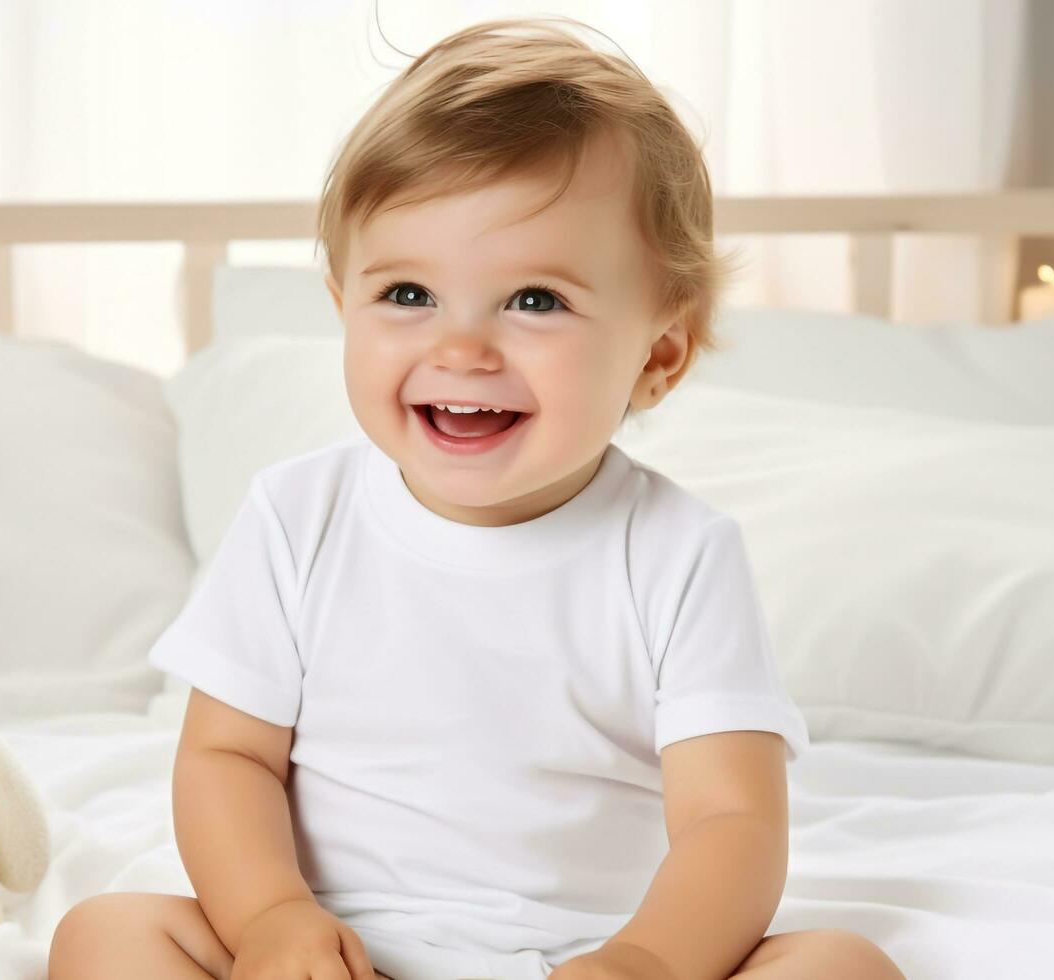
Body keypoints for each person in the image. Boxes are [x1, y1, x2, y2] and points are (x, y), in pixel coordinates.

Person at [51, 17, 904, 980]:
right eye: (408, 295)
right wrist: (272, 919)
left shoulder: (677, 552)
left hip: (592, 948)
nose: (460, 350)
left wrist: (649, 960)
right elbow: (225, 759)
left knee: (839, 964)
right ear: (342, 304)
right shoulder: (298, 517)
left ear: (658, 354)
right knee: (109, 933)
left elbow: (729, 816)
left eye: (534, 300)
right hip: (337, 947)